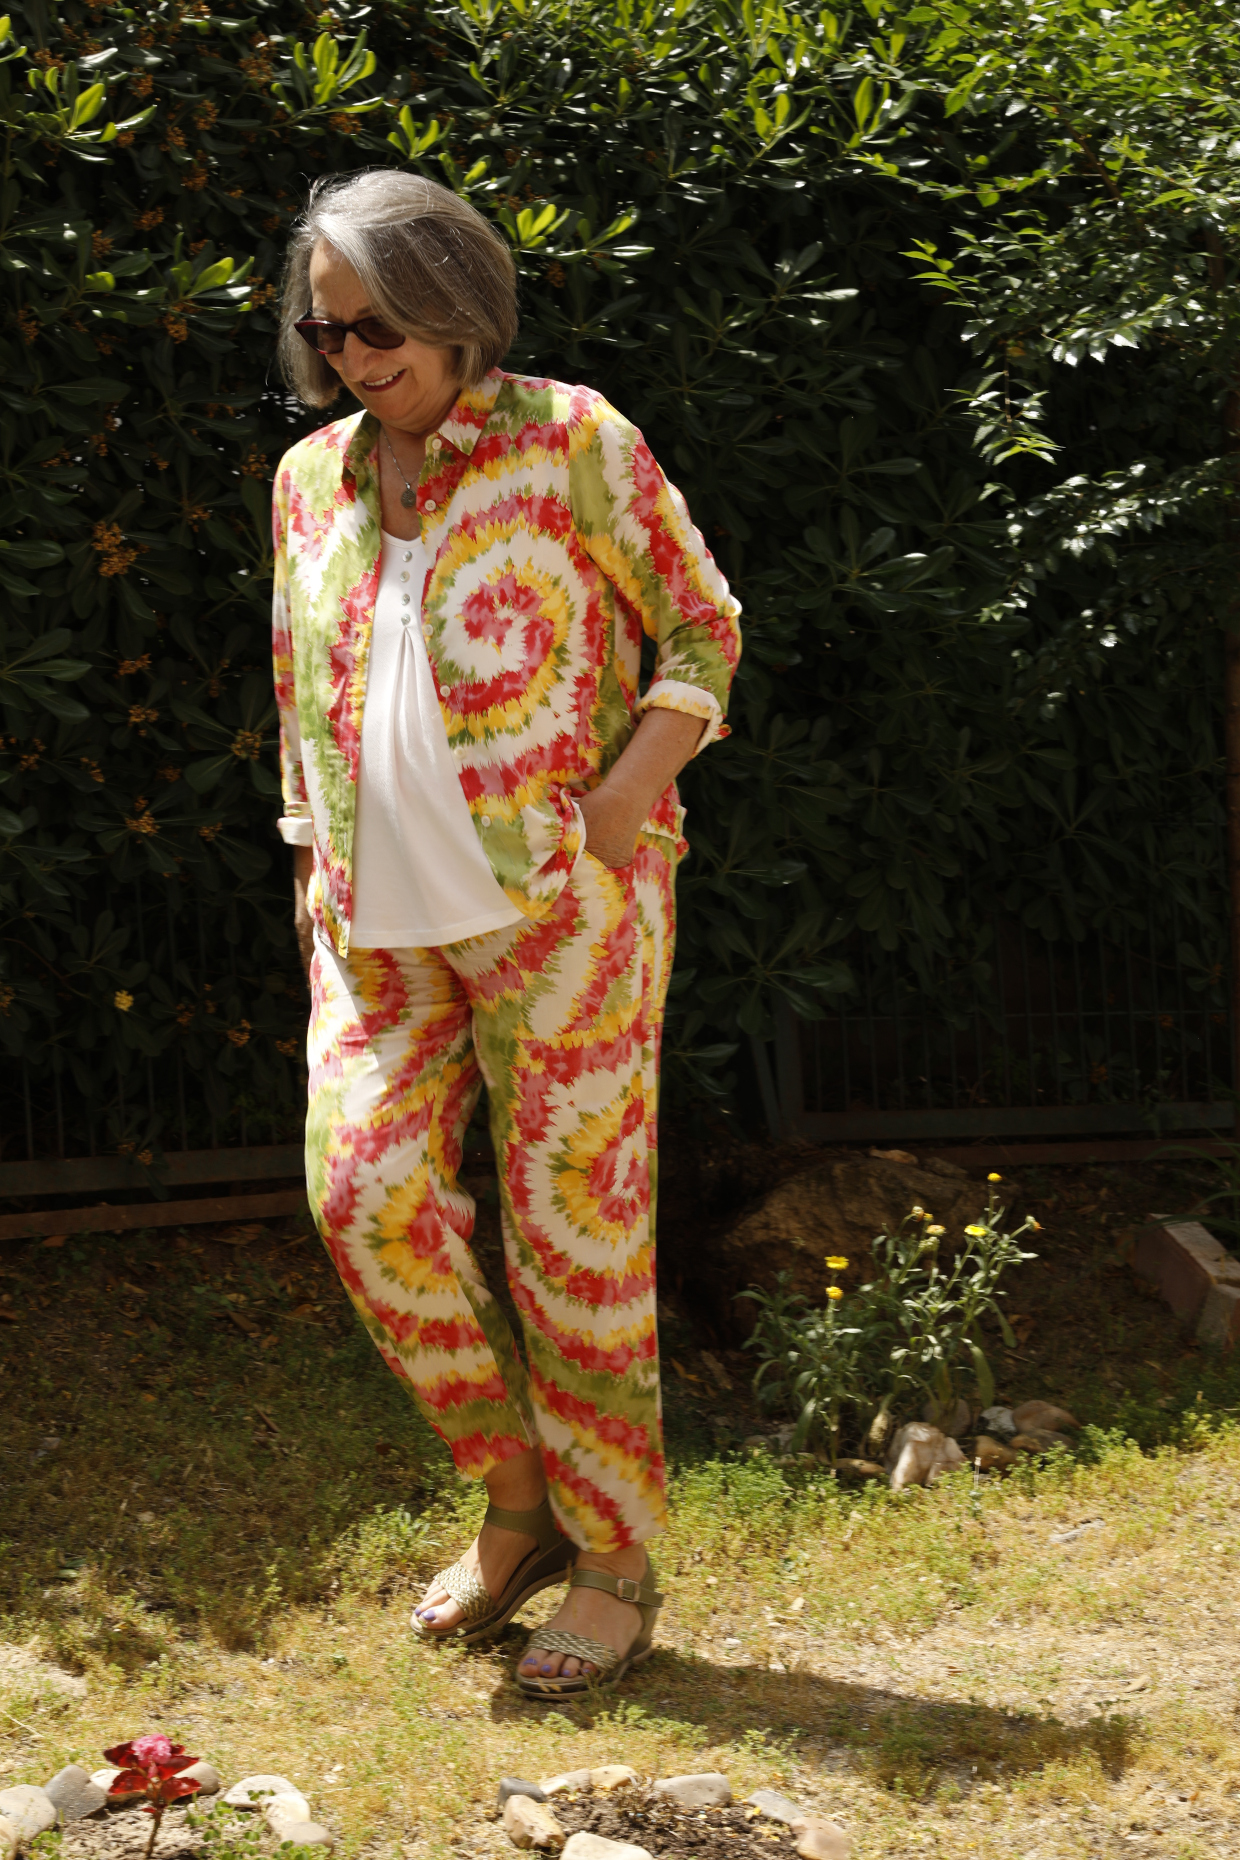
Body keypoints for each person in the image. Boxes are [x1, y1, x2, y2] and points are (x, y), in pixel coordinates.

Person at [271, 169, 741, 1696]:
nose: (353, 356)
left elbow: (703, 625)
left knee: (574, 1247)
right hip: (374, 936)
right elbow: (296, 689)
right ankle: (518, 1501)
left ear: (454, 302)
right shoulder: (310, 480)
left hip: (562, 922)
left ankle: (613, 1565)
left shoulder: (573, 439)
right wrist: (309, 872)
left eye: (378, 325)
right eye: (327, 331)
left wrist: (622, 804)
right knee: (363, 1198)